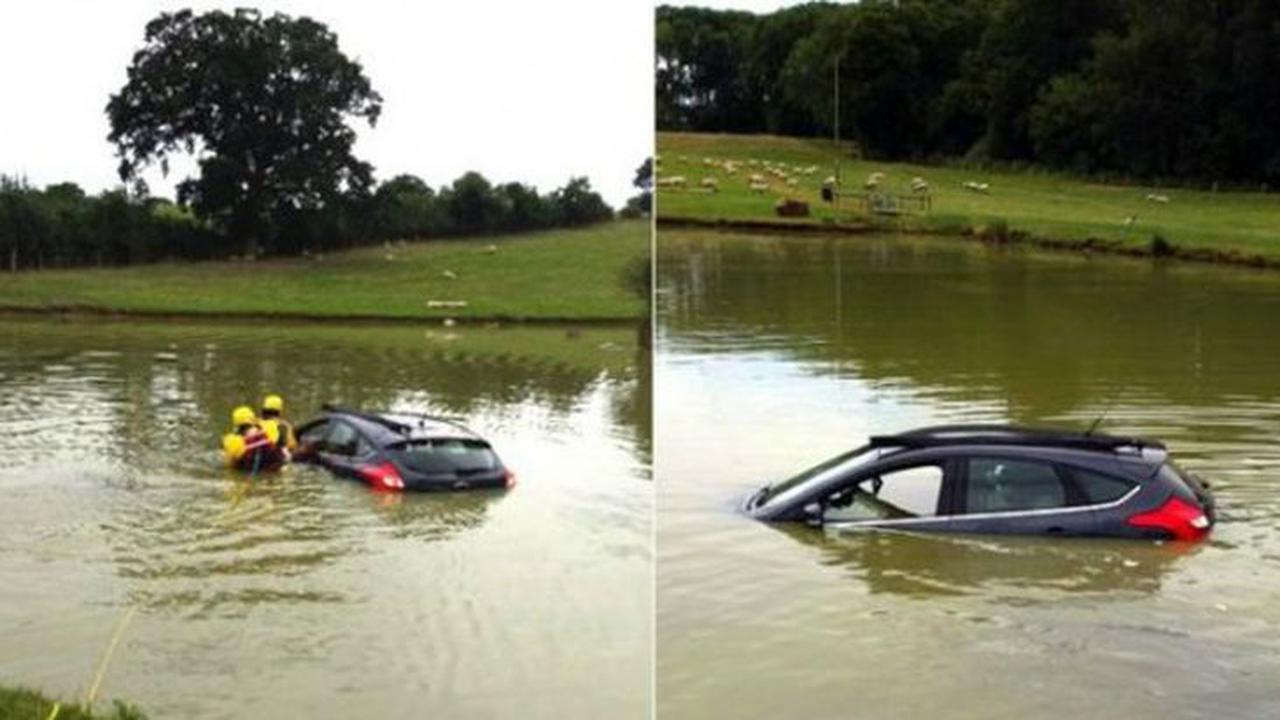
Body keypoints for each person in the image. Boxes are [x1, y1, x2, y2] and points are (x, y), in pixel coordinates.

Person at [221, 405, 285, 472]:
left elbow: (229, 463)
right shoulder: (270, 427)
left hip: (249, 472)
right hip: (274, 468)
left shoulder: (232, 441)